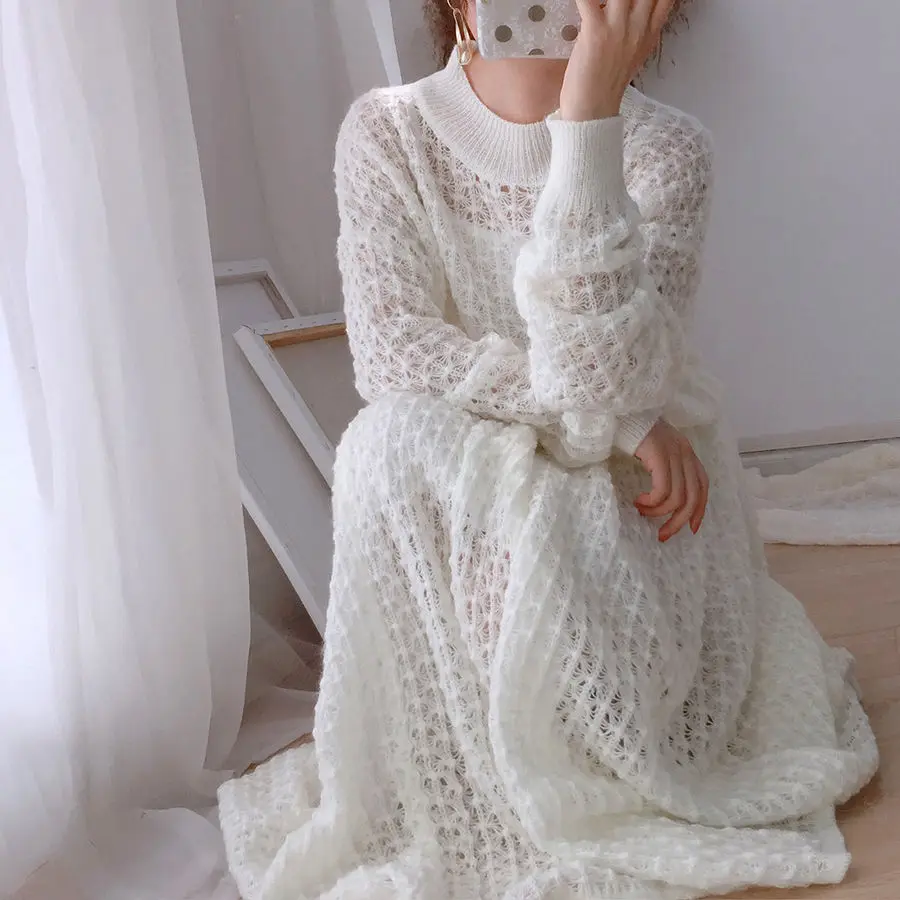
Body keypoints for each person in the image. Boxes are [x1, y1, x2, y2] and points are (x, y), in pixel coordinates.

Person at [218, 2, 878, 897]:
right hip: (525, 458)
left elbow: (616, 369)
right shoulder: (390, 130)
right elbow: (392, 353)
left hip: (631, 484)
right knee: (387, 438)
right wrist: (616, 418)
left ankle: (567, 754)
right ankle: (471, 768)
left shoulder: (666, 149)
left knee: (547, 503)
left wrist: (589, 121)